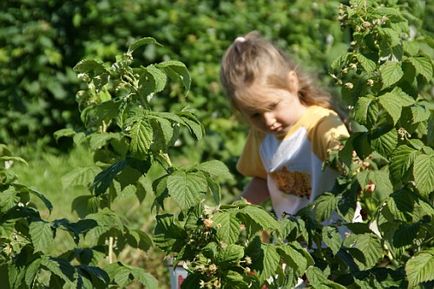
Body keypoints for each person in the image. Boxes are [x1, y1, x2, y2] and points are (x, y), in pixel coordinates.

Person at [220, 31, 350, 219]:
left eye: (273, 106)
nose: (268, 120)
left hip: (340, 235)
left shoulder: (320, 124)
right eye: (255, 114)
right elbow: (262, 180)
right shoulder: (261, 136)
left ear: (292, 83)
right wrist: (232, 215)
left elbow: (349, 159)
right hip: (293, 241)